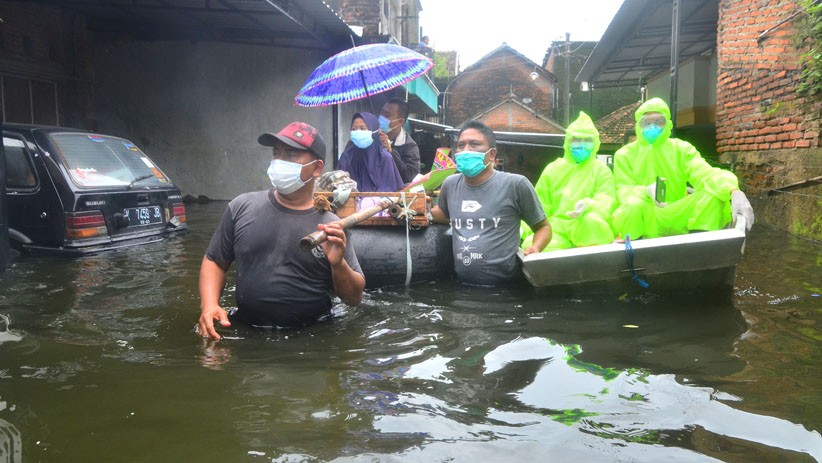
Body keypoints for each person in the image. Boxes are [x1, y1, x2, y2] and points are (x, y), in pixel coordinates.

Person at [198, 121, 365, 340]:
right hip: (247, 333)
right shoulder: (241, 207)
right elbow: (215, 261)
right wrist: (209, 305)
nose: (280, 162)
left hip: (312, 339)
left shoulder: (330, 226)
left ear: (316, 167)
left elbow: (353, 298)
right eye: (277, 154)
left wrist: (338, 264)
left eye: (291, 155)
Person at [612, 98, 755, 239]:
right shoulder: (624, 155)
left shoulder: (681, 149)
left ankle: (698, 246)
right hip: (646, 214)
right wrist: (645, 192)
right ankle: (636, 252)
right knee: (631, 206)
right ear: (638, 125)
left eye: (658, 121)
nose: (652, 126)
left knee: (713, 197)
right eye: (646, 122)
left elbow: (704, 173)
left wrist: (733, 190)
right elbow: (624, 191)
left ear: (667, 124)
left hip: (677, 212)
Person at [431, 120, 552, 286]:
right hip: (462, 288)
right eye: (461, 145)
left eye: (474, 144)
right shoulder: (450, 185)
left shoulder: (516, 185)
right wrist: (412, 206)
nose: (466, 151)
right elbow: (443, 214)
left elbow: (543, 227)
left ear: (492, 154)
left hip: (507, 290)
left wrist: (535, 248)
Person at [521, 111, 615, 251]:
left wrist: (588, 205)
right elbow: (539, 205)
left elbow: (607, 200)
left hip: (585, 225)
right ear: (567, 141)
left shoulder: (601, 170)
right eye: (576, 139)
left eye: (587, 140)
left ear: (595, 144)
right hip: (556, 227)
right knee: (532, 245)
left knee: (592, 222)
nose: (582, 145)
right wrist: (523, 229)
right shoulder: (553, 169)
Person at [339, 112, 404, 192]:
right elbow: (338, 186)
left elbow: (389, 190)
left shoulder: (384, 158)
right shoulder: (347, 157)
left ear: (374, 131)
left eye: (362, 128)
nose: (358, 132)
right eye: (354, 129)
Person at [378, 98, 421, 184]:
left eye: (386, 115)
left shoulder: (409, 146)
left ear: (400, 121)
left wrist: (391, 152)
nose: (381, 118)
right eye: (381, 113)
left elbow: (410, 176)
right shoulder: (372, 137)